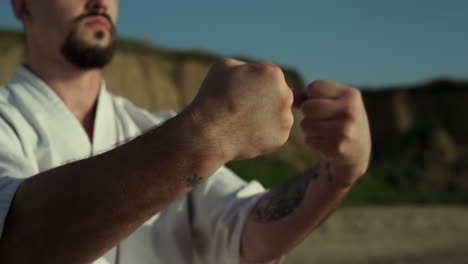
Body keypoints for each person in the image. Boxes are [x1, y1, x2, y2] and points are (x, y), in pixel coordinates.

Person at [0, 0, 371, 263]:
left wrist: (338, 172)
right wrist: (205, 136)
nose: (100, 3)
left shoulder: (153, 127)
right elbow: (15, 244)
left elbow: (250, 237)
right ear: (22, 6)